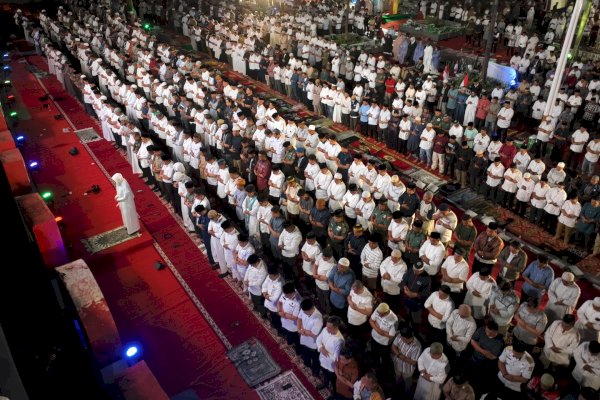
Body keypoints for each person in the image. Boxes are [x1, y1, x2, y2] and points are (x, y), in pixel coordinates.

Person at [316, 316, 345, 393]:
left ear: (336, 327)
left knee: (333, 381)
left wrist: (326, 353)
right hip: (322, 359)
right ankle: (325, 383)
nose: (326, 328)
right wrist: (321, 347)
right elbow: (318, 339)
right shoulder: (325, 329)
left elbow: (337, 358)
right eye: (326, 326)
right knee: (325, 375)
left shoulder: (340, 341)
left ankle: (335, 393)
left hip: (331, 366)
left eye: (329, 327)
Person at [392, 327, 422, 394]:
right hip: (397, 364)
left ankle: (407, 394)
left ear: (410, 338)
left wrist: (402, 357)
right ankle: (397, 390)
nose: (402, 340)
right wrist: (400, 355)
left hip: (408, 370)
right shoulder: (400, 336)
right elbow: (393, 347)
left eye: (404, 339)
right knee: (397, 379)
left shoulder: (417, 346)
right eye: (402, 338)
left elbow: (414, 362)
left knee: (407, 385)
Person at [298, 298, 324, 376]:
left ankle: (315, 371)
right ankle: (307, 364)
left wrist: (302, 330)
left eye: (306, 312)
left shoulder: (318, 318)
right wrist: (299, 329)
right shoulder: (304, 309)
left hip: (313, 343)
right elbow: (299, 318)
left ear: (311, 309)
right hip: (304, 338)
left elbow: (314, 333)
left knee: (315, 358)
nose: (304, 313)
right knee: (305, 353)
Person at [369, 302, 399, 368]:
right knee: (374, 354)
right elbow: (371, 321)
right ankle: (375, 366)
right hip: (374, 337)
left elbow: (391, 335)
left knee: (384, 357)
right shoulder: (378, 310)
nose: (378, 314)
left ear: (386, 312)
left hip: (384, 343)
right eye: (378, 313)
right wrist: (378, 330)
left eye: (381, 314)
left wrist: (380, 331)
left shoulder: (394, 319)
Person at [278, 282, 302, 353]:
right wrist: (279, 311)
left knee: (297, 342)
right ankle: (288, 343)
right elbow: (280, 302)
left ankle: (298, 354)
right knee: (287, 335)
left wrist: (283, 314)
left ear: (292, 292)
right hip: (284, 321)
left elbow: (294, 317)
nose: (284, 295)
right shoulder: (285, 293)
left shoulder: (298, 301)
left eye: (286, 294)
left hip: (293, 326)